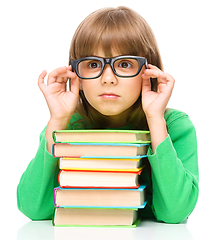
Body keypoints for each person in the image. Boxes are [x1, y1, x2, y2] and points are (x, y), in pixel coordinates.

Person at [17, 6, 199, 224]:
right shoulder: (67, 127)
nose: (108, 79)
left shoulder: (174, 126)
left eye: (124, 64)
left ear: (148, 72)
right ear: (76, 76)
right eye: (93, 64)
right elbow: (32, 208)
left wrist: (155, 121)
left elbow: (176, 212)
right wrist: (57, 121)